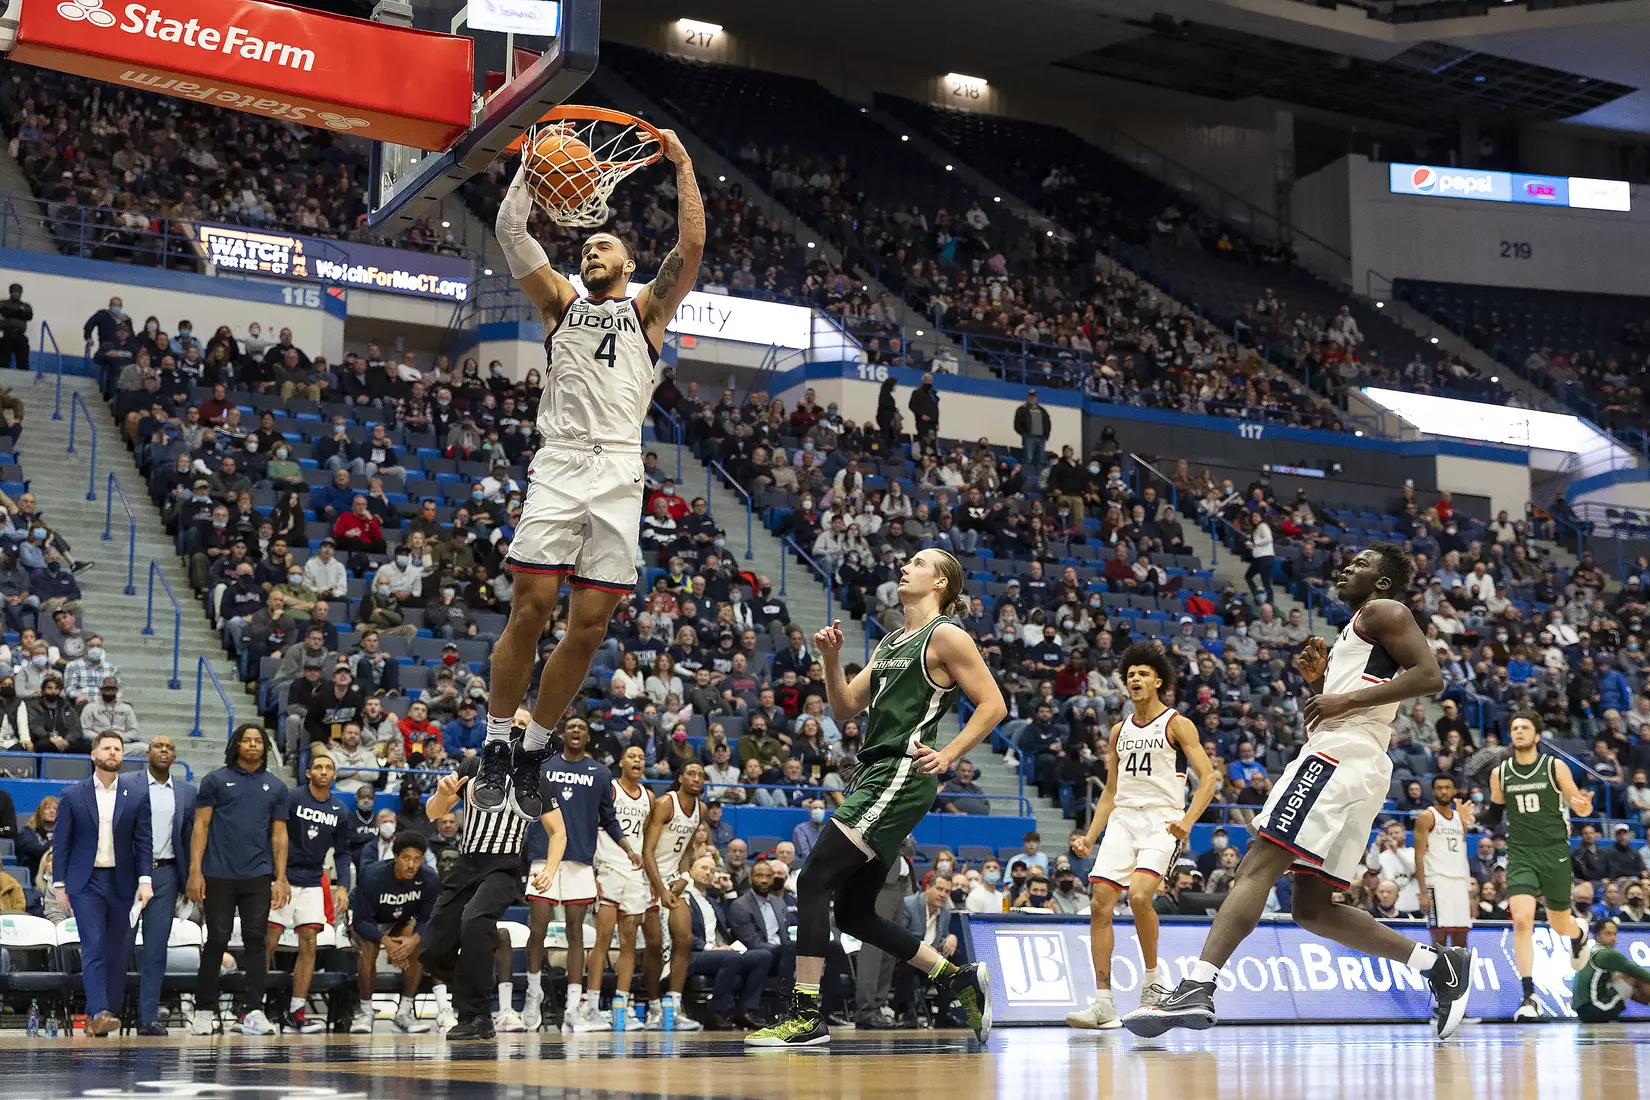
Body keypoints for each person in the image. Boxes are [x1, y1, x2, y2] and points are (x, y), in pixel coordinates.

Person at [1124, 543, 1473, 1041]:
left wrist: (1340, 698)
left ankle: (1197, 986)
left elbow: (1430, 676)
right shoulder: (1359, 630)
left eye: (1362, 563)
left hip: (1337, 756)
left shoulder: (1383, 610)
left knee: (1257, 865)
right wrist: (1321, 683)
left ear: (1381, 582)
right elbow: (1354, 699)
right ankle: (1440, 966)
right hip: (1362, 764)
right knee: (1312, 907)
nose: (1348, 566)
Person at [475, 129, 703, 820]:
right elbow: (512, 231)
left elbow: (691, 245)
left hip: (620, 467)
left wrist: (683, 164)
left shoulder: (649, 310)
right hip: (563, 458)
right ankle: (496, 741)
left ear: (630, 263)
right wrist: (530, 168)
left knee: (591, 625)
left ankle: (535, 746)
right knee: (532, 605)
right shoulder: (559, 303)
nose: (590, 252)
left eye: (603, 247)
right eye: (586, 248)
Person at [747, 549, 1002, 1047]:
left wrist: (949, 753)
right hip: (876, 774)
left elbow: (993, 704)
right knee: (854, 914)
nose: (906, 566)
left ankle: (806, 1014)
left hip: (902, 772)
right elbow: (845, 706)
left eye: (919, 563)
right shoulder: (890, 642)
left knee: (813, 878)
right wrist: (830, 658)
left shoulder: (946, 636)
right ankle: (957, 978)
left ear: (941, 582)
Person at [1067, 642, 1219, 1030]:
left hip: (1162, 820)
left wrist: (1187, 820)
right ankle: (1103, 1002)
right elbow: (1109, 791)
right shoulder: (1118, 730)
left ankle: (1153, 982)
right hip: (1123, 820)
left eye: (1143, 673)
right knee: (1100, 904)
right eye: (1130, 674)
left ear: (1159, 681)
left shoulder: (1177, 723)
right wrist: (1090, 835)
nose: (1135, 678)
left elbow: (1209, 779)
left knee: (1138, 896)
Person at [419, 748, 567, 1040]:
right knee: (432, 950)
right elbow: (433, 812)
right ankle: (475, 995)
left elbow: (558, 832)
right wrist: (440, 795)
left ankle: (476, 1015)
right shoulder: (473, 766)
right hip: (465, 864)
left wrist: (549, 871)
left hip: (504, 866)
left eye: (523, 728)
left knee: (475, 921)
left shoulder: (536, 778)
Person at [523, 716, 635, 1033]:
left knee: (576, 933)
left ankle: (573, 1008)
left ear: (587, 737)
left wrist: (628, 849)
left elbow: (609, 819)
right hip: (543, 855)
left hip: (580, 860)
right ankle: (533, 993)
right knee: (537, 928)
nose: (575, 731)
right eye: (571, 726)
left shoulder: (600, 773)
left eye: (581, 728)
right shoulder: (544, 766)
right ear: (562, 733)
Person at [1484, 714, 1595, 1021]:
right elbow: (1493, 814)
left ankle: (1578, 932)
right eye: (1514, 728)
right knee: (1522, 920)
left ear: (1536, 736)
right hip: (1520, 853)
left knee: (1560, 925)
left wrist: (1584, 805)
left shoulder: (1554, 767)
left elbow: (1578, 802)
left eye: (1525, 728)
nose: (1519, 732)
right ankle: (1529, 996)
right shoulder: (1500, 773)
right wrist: (1472, 818)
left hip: (1554, 853)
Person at [188, 724, 289, 1037]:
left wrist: (281, 878)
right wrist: (195, 870)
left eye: (259, 741)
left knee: (256, 940)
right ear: (236, 745)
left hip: (258, 874)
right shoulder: (215, 780)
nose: (253, 745)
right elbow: (201, 826)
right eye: (247, 740)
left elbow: (279, 835)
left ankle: (253, 1011)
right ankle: (204, 1010)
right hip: (218, 872)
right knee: (216, 939)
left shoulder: (276, 786)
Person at [49, 731, 153, 1037]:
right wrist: (59, 884)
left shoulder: (136, 795)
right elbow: (62, 842)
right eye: (107, 748)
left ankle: (106, 1015)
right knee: (93, 946)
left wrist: (145, 880)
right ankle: (99, 1011)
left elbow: (143, 842)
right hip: (86, 882)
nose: (113, 752)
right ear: (93, 754)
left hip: (123, 881)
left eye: (117, 748)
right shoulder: (73, 794)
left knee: (119, 951)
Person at [265, 752, 352, 1034]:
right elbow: (274, 835)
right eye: (318, 767)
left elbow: (343, 852)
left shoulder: (339, 810)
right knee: (268, 940)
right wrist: (277, 877)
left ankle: (297, 1011)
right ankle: (252, 1006)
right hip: (284, 877)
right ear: (308, 772)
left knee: (310, 944)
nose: (324, 772)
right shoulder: (292, 798)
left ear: (334, 775)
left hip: (314, 880)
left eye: (329, 768)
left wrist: (342, 886)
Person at [125, 735, 196, 1035]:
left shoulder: (187, 792)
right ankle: (107, 1012)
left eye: (169, 748)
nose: (164, 751)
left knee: (156, 950)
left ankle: (148, 1018)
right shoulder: (128, 784)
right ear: (147, 753)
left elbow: (190, 838)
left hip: (166, 873)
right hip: (129, 873)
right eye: (158, 746)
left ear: (175, 756)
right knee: (121, 945)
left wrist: (189, 877)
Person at [639, 761, 709, 1030]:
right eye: (691, 774)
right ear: (680, 778)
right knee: (654, 945)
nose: (697, 778)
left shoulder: (701, 809)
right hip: (648, 878)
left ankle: (675, 1007)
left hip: (672, 880)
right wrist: (660, 889)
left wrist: (683, 878)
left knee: (685, 940)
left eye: (701, 775)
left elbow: (687, 850)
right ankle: (654, 1008)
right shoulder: (666, 804)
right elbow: (647, 850)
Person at [350, 831, 439, 1034]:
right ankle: (366, 1012)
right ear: (396, 856)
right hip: (366, 920)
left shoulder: (429, 879)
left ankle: (403, 1013)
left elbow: (427, 919)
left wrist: (412, 940)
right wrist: (386, 942)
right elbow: (361, 921)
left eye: (417, 859)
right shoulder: (372, 875)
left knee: (416, 944)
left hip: (397, 920)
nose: (412, 865)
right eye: (406, 858)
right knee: (370, 946)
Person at [681, 851, 771, 1029]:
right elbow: (684, 934)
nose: (708, 873)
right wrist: (710, 948)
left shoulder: (712, 900)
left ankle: (746, 1011)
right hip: (693, 953)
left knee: (763, 956)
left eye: (712, 870)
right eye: (704, 868)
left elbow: (730, 920)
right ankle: (715, 1013)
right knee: (732, 957)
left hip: (719, 953)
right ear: (691, 871)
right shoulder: (684, 898)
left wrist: (729, 891)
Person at [1413, 775, 1474, 950]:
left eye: (1447, 787)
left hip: (1459, 882)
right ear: (1433, 791)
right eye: (1439, 788)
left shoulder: (1460, 819)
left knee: (1462, 939)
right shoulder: (1427, 816)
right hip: (1437, 881)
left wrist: (1470, 893)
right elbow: (1418, 856)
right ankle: (1438, 969)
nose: (1444, 791)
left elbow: (1462, 856)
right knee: (1439, 938)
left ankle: (1459, 970)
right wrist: (1423, 892)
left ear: (1454, 791)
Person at [1571, 919, 1650, 1021]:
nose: (1613, 938)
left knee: (1620, 976)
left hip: (1582, 1012)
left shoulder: (1592, 951)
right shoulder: (1607, 953)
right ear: (1596, 935)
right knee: (1632, 978)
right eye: (1608, 934)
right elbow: (1641, 973)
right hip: (1596, 1008)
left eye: (1615, 934)